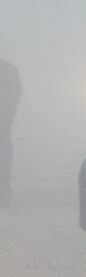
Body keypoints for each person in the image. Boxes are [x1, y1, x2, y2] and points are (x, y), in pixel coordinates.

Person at [0, 59, 23, 207]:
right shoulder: (8, 69)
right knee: (3, 156)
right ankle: (3, 194)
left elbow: (16, 92)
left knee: (3, 155)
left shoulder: (8, 69)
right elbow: (17, 91)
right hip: (4, 120)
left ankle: (3, 193)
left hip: (3, 120)